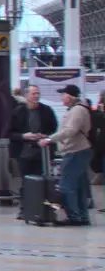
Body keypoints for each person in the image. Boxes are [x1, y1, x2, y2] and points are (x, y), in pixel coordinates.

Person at [44, 83, 93, 226]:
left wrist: (49, 139)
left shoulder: (77, 110)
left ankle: (74, 216)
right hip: (80, 150)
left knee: (67, 186)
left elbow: (70, 131)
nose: (62, 97)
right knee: (79, 186)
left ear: (70, 96)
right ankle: (82, 216)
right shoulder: (78, 109)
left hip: (75, 151)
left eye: (63, 95)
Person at [10, 83, 56, 183]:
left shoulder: (46, 110)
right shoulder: (18, 112)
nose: (37, 96)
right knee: (26, 180)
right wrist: (23, 136)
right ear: (26, 95)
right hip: (24, 153)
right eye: (34, 93)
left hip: (42, 153)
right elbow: (10, 133)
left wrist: (45, 136)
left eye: (38, 93)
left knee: (41, 180)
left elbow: (53, 128)